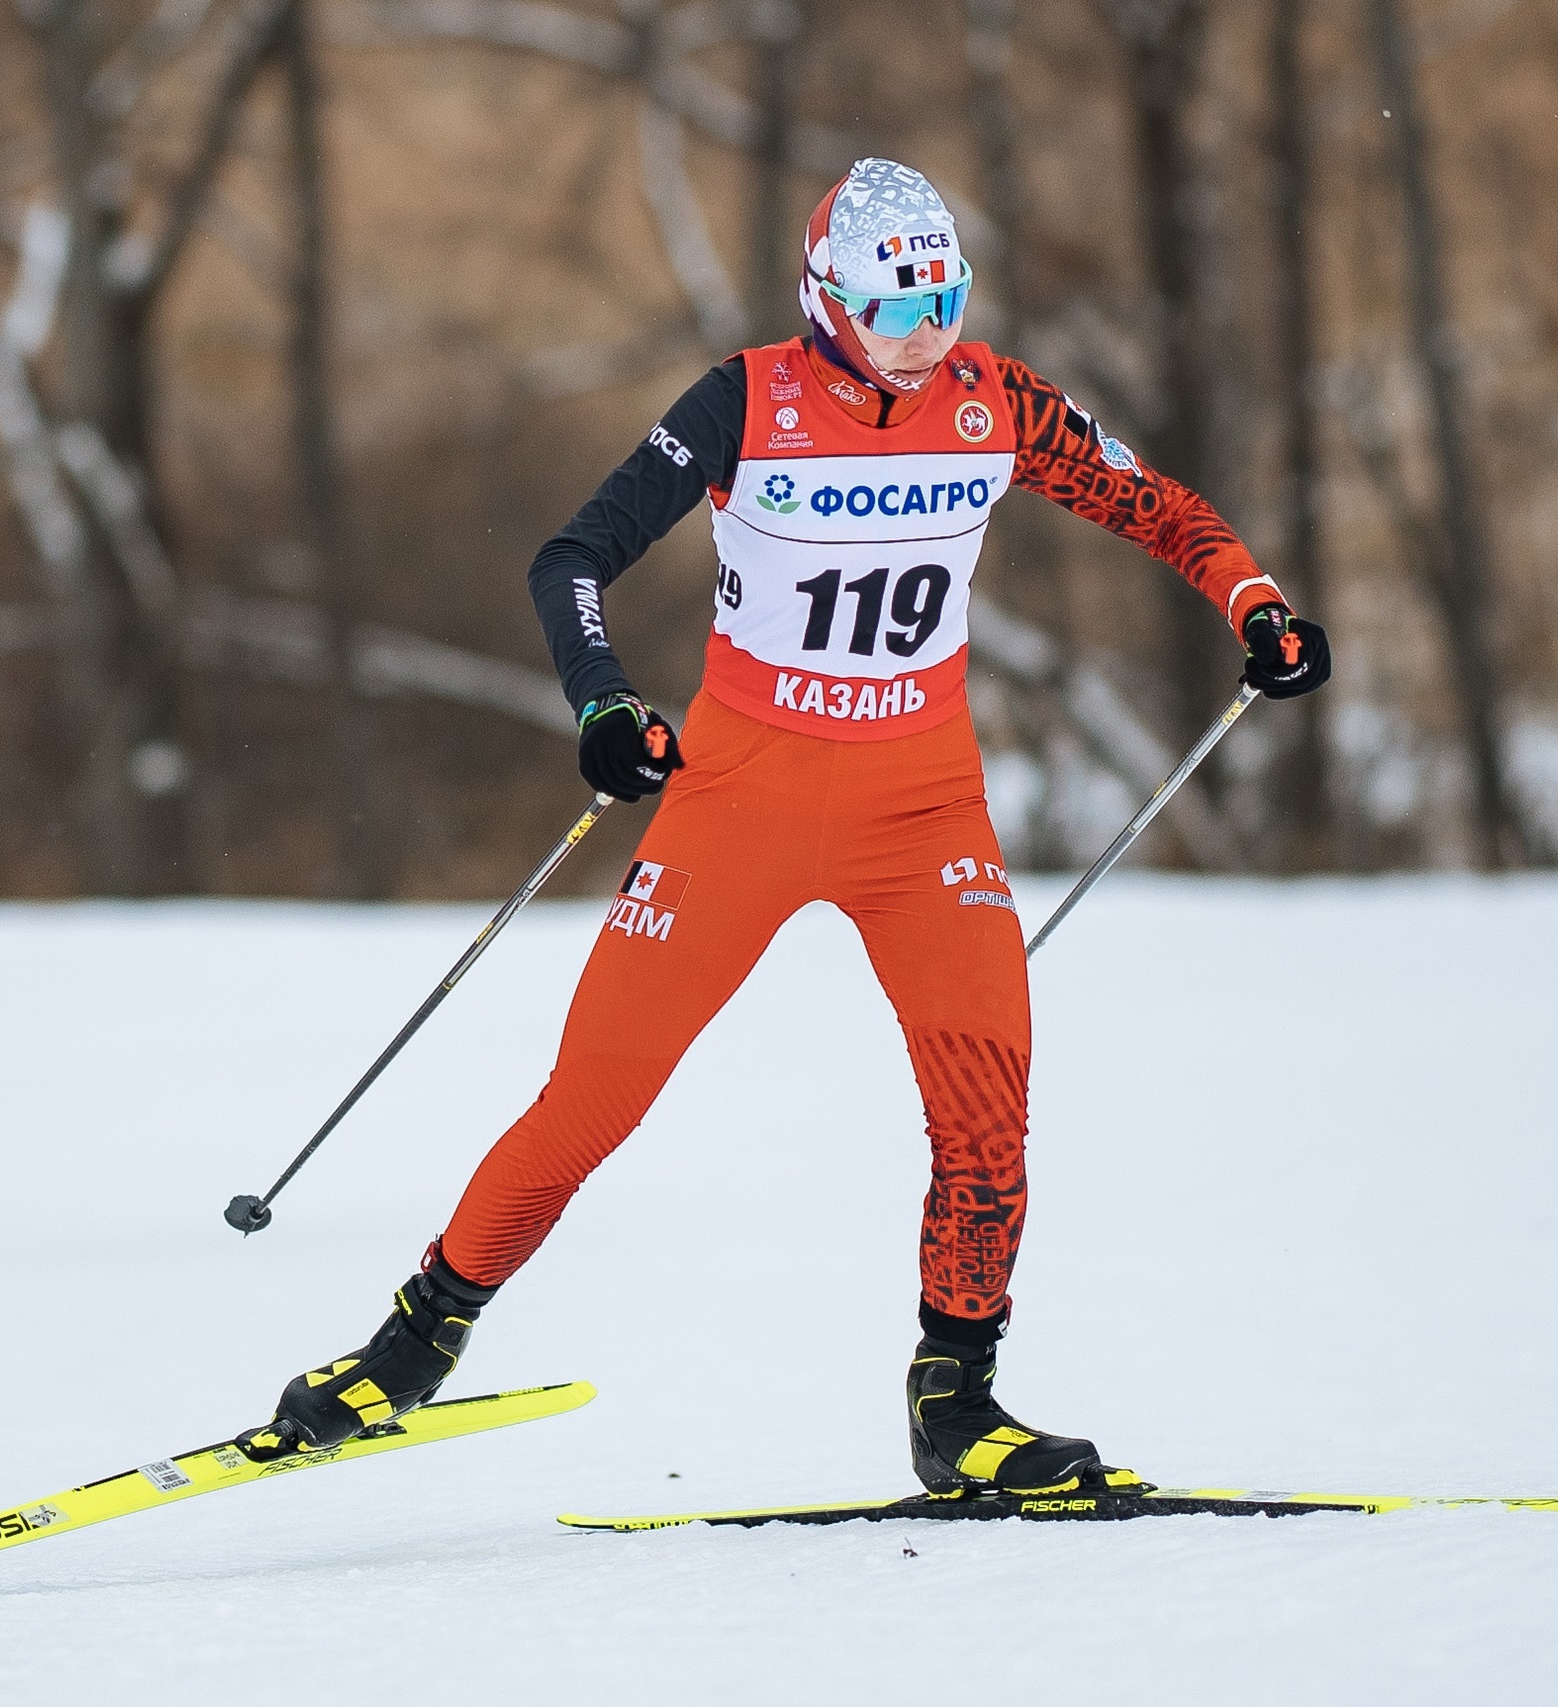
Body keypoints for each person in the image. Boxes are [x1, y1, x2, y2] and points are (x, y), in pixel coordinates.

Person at [244, 159, 1331, 1497]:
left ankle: (959, 1408)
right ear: (827, 303)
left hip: (923, 804)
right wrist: (604, 705)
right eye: (892, 312)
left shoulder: (995, 404)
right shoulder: (747, 401)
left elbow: (1156, 503)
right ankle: (404, 1352)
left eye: (945, 303)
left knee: (988, 1107)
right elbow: (570, 560)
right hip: (739, 799)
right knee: (593, 1103)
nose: (924, 339)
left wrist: (1256, 603)